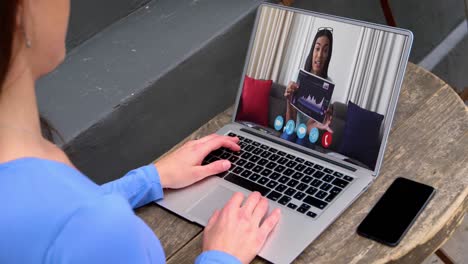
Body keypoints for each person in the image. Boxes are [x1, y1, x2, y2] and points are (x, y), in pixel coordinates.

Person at [0, 0, 281, 263]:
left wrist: (149, 179)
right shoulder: (97, 232)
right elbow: (72, 227)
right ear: (23, 11)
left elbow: (47, 219)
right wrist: (222, 256)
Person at [283, 28, 334, 140]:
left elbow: (308, 127)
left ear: (328, 56)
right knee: (288, 135)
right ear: (312, 50)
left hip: (306, 134)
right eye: (317, 48)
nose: (320, 55)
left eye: (325, 51)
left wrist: (317, 124)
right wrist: (289, 100)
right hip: (291, 130)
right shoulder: (298, 75)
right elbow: (290, 123)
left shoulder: (328, 85)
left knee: (302, 141)